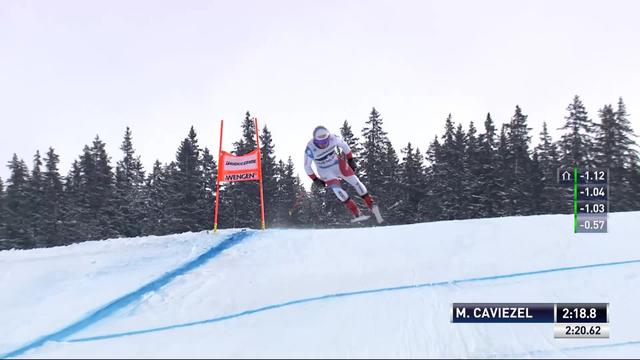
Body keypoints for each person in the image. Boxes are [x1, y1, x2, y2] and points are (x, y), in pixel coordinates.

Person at [304, 125, 383, 223]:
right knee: (337, 190)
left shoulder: (333, 138)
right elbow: (307, 166)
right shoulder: (310, 148)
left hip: (337, 164)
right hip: (325, 170)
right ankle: (356, 213)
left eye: (325, 141)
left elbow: (345, 146)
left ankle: (372, 205)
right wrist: (315, 179)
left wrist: (350, 160)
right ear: (315, 140)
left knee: (356, 181)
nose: (324, 144)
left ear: (329, 137)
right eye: (321, 142)